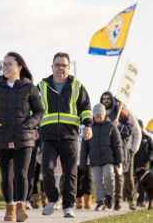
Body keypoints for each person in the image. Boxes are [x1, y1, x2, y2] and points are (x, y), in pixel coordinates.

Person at [0, 52, 44, 222]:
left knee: (21, 174)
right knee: (6, 176)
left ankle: (21, 207)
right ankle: (9, 208)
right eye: (4, 64)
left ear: (19, 66)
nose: (6, 67)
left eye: (9, 64)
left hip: (23, 137)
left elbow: (40, 111)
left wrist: (29, 125)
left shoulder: (30, 88)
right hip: (2, 137)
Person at [38, 52, 93, 218]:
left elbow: (85, 108)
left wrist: (88, 125)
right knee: (46, 168)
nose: (61, 68)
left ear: (69, 68)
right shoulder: (41, 86)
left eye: (64, 65)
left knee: (71, 172)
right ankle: (52, 199)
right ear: (52, 67)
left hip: (69, 136)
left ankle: (68, 206)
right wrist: (32, 127)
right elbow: (33, 108)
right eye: (58, 65)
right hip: (48, 136)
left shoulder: (77, 86)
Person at [80, 104, 123, 211]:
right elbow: (84, 148)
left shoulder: (111, 127)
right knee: (97, 180)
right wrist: (83, 163)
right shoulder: (89, 128)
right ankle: (101, 201)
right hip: (94, 159)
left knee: (109, 176)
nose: (98, 118)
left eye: (100, 116)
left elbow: (117, 145)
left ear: (104, 115)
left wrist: (119, 161)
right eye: (96, 117)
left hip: (109, 159)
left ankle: (109, 197)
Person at [100, 92, 132, 210]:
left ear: (112, 100)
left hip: (119, 150)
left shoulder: (122, 114)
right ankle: (108, 199)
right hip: (105, 150)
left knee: (118, 177)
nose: (106, 100)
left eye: (108, 98)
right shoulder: (100, 114)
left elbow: (129, 131)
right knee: (105, 176)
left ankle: (118, 199)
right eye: (104, 99)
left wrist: (119, 126)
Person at [134, 120, 153, 207]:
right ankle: (133, 200)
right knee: (133, 183)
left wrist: (148, 159)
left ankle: (141, 201)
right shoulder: (133, 137)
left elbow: (151, 151)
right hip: (134, 165)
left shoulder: (148, 138)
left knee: (143, 184)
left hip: (144, 165)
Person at [76, 125, 93, 210]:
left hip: (87, 157)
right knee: (76, 180)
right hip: (75, 156)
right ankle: (79, 200)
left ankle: (88, 200)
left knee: (88, 179)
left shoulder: (89, 124)